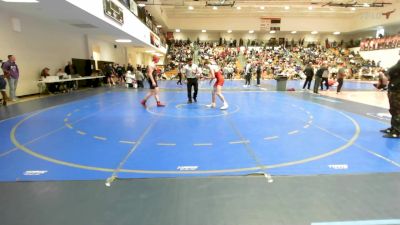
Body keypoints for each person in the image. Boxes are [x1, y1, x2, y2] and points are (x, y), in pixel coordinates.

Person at [381, 59, 400, 138]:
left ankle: (397, 131)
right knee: (393, 110)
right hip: (394, 89)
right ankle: (393, 128)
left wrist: (385, 73)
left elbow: (391, 70)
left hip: (398, 91)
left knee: (397, 111)